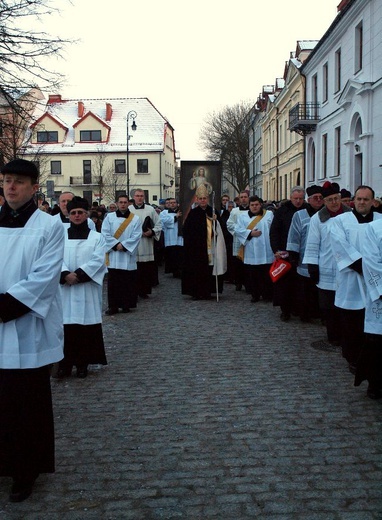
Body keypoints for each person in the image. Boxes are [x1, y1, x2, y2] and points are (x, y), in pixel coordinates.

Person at [0, 158, 64, 502]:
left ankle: (26, 470)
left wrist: (4, 307)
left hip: (29, 328)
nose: (11, 187)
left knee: (27, 405)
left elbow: (43, 278)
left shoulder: (49, 226)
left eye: (19, 182)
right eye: (7, 181)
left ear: (34, 187)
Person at [330, 186, 382, 374]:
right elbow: (339, 246)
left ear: (373, 202)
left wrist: (373, 272)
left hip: (376, 282)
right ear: (353, 200)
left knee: (370, 326)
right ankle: (352, 358)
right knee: (351, 324)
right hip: (351, 279)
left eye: (366, 199)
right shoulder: (340, 221)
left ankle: (368, 361)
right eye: (359, 199)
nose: (361, 202)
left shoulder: (380, 222)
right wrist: (364, 268)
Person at [57, 196, 108, 378]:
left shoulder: (97, 237)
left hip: (86, 289)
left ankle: (82, 364)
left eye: (80, 213)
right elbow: (54, 258)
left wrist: (78, 275)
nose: (77, 216)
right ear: (68, 215)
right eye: (73, 213)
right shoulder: (60, 236)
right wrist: (64, 275)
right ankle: (64, 365)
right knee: (66, 327)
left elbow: (99, 260)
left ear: (86, 214)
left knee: (84, 327)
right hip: (65, 290)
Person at [303, 182, 352, 346]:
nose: (334, 202)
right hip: (326, 267)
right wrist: (312, 266)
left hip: (347, 268)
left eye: (336, 199)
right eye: (330, 199)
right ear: (324, 201)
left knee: (345, 305)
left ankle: (346, 335)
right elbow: (312, 243)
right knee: (328, 306)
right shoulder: (317, 219)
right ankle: (333, 336)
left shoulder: (351, 216)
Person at [181, 184, 227, 300]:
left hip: (210, 245)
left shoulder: (213, 211)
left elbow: (221, 228)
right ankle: (197, 292)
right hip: (197, 248)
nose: (202, 200)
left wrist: (216, 222)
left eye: (204, 198)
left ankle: (209, 291)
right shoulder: (193, 213)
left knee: (209, 268)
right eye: (200, 198)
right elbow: (186, 230)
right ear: (197, 199)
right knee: (197, 270)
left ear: (207, 199)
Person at [286, 185, 324, 322]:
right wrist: (293, 254)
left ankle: (320, 314)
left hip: (323, 258)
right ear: (309, 200)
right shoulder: (299, 215)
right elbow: (294, 235)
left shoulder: (327, 214)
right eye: (315, 198)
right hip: (304, 258)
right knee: (305, 289)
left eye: (321, 198)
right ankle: (305, 313)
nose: (318, 200)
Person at [269, 186, 307, 321]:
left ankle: (298, 308)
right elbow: (274, 231)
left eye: (300, 199)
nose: (298, 201)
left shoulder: (307, 210)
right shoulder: (282, 211)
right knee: (284, 284)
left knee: (300, 285)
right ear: (290, 198)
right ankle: (285, 310)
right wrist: (276, 250)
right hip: (284, 252)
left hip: (301, 253)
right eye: (295, 198)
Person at [101, 194, 142, 314]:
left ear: (128, 203)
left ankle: (126, 305)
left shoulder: (135, 219)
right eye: (121, 202)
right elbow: (104, 233)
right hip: (114, 255)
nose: (123, 204)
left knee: (127, 282)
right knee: (113, 283)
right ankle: (113, 306)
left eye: (125, 202)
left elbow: (137, 235)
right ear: (117, 203)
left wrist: (123, 246)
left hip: (127, 255)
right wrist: (115, 245)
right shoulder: (109, 217)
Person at [357, 218, 382, 399]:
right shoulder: (375, 228)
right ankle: (376, 383)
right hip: (380, 294)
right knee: (377, 344)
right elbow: (371, 262)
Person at [235, 196, 274, 303]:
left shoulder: (269, 215)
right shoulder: (243, 217)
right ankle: (255, 295)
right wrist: (250, 233)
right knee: (253, 275)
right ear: (249, 206)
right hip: (251, 249)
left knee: (266, 274)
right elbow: (237, 230)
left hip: (266, 249)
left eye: (256, 204)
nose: (254, 207)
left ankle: (267, 294)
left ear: (260, 205)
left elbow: (274, 229)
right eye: (252, 205)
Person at [129, 189, 162, 298]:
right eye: (137, 196)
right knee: (134, 268)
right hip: (133, 244)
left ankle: (144, 291)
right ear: (134, 197)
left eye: (141, 196)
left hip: (146, 244)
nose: (139, 198)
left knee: (145, 269)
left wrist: (151, 232)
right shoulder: (129, 210)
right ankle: (134, 290)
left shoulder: (150, 209)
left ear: (144, 197)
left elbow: (158, 224)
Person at [226, 190, 251, 292]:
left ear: (248, 198)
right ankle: (239, 282)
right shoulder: (234, 211)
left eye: (245, 197)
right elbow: (229, 224)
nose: (243, 199)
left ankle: (249, 283)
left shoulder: (253, 209)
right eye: (241, 197)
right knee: (238, 262)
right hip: (238, 239)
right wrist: (240, 231)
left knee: (249, 262)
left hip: (250, 239)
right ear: (239, 199)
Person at [160, 197, 184, 278]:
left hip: (180, 238)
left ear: (177, 204)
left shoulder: (182, 212)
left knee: (180, 255)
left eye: (174, 202)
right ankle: (173, 271)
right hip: (170, 237)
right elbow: (164, 222)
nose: (172, 204)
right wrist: (175, 217)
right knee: (172, 255)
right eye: (170, 203)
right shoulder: (164, 212)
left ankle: (180, 270)